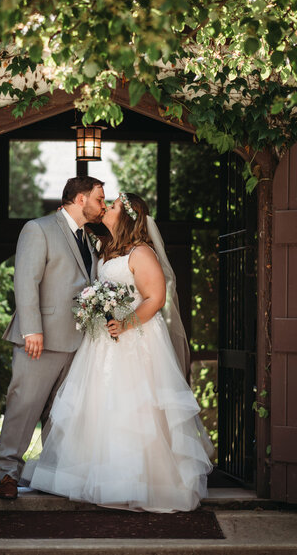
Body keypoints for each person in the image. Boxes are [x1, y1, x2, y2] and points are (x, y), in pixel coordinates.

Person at [21, 193, 214, 513]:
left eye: (110, 206)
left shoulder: (142, 253)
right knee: (97, 406)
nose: (105, 207)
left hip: (135, 339)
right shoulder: (107, 249)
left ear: (125, 216)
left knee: (132, 409)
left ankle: (138, 481)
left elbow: (156, 296)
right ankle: (97, 478)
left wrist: (126, 324)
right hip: (102, 341)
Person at [0, 176, 106, 499]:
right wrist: (32, 329)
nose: (103, 205)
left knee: (61, 416)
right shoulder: (38, 229)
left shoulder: (89, 239)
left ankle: (51, 475)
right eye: (100, 199)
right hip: (39, 340)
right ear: (81, 199)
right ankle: (7, 475)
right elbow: (26, 280)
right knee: (24, 404)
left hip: (78, 343)